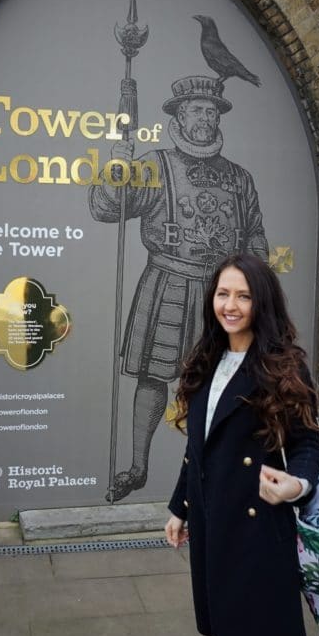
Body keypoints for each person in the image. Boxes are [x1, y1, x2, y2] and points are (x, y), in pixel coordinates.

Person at [165, 251, 319, 636]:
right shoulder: (212, 357)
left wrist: (296, 486)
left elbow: (307, 444)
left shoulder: (282, 364)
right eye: (222, 295)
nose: (230, 306)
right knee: (248, 630)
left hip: (260, 528)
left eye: (243, 296)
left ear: (262, 302)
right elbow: (198, 447)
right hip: (217, 521)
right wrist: (181, 506)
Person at [89, 76, 268, 503]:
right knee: (152, 379)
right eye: (196, 110)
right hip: (167, 282)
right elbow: (104, 208)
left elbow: (256, 236)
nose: (205, 117)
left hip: (219, 296)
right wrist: (118, 165)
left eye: (211, 111)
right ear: (179, 116)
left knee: (219, 383)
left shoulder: (239, 178)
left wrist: (251, 285)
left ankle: (210, 469)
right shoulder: (154, 165)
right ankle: (138, 467)